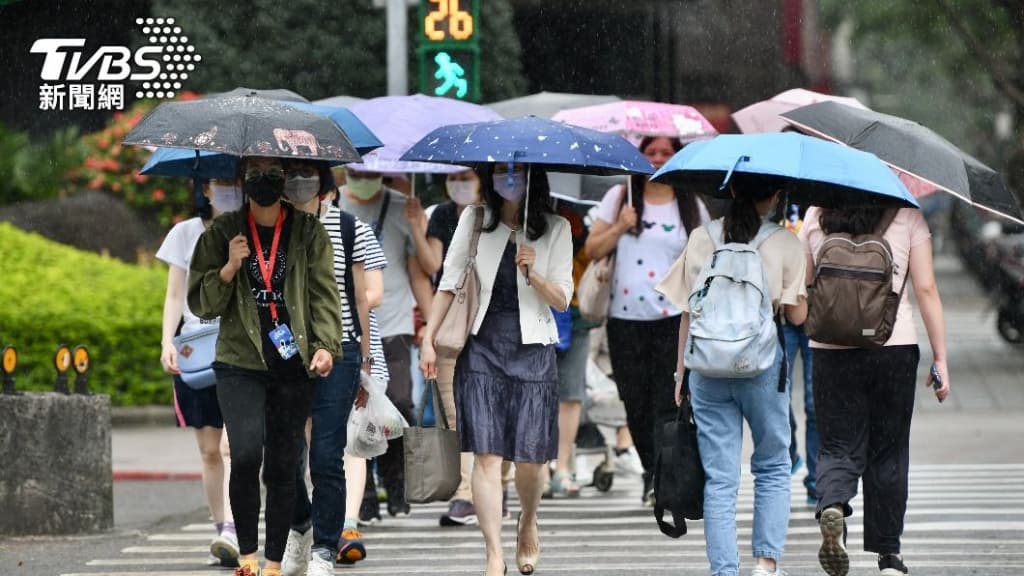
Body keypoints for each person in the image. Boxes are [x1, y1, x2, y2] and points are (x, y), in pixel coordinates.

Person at [187, 156, 343, 576]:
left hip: (293, 364)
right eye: (254, 171)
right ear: (243, 179)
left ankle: (273, 563)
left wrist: (328, 345)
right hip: (239, 361)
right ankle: (249, 557)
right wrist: (229, 267)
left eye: (273, 171)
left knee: (282, 460)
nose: (264, 179)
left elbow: (324, 294)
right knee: (245, 450)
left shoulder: (309, 232)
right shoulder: (222, 231)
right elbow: (200, 302)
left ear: (285, 177)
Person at [420, 163, 573, 576]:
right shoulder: (474, 218)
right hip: (482, 346)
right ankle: (494, 554)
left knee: (531, 461)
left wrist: (534, 274)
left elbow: (562, 299)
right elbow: (449, 283)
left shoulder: (556, 227)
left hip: (533, 349)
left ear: (532, 176)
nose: (509, 178)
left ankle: (527, 519)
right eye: (502, 171)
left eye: (517, 171)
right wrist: (429, 338)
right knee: (486, 455)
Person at [658, 173, 808, 576]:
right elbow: (798, 315)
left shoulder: (701, 238)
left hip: (706, 368)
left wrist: (680, 376)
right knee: (773, 465)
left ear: (733, 191)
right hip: (761, 368)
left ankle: (725, 570)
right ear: (775, 197)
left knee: (721, 479)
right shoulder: (785, 241)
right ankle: (766, 563)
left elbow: (687, 312)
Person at [799, 204, 950, 576]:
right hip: (893, 347)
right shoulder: (908, 218)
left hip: (831, 349)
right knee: (889, 449)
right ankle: (889, 556)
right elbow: (926, 288)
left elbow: (805, 287)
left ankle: (833, 502)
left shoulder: (817, 215)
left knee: (836, 443)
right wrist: (940, 358)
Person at [583, 136, 709, 505]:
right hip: (624, 321)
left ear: (676, 158)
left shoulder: (690, 204)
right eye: (650, 152)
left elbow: (704, 256)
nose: (656, 159)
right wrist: (620, 226)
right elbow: (591, 250)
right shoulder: (620, 198)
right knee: (635, 402)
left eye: (665, 153)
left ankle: (661, 479)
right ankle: (651, 470)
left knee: (666, 401)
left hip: (673, 319)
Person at [276, 160, 372, 576]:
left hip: (342, 351)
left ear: (323, 183)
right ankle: (300, 526)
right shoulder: (270, 230)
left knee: (327, 455)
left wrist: (366, 360)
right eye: (291, 175)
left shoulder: (351, 229)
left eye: (307, 175)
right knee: (283, 453)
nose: (299, 184)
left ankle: (324, 549)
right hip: (284, 354)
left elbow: (360, 299)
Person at [339, 166, 437, 519]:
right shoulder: (331, 206)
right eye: (355, 171)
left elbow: (423, 270)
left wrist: (430, 325)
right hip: (348, 329)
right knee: (353, 415)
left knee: (397, 405)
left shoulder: (401, 207)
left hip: (393, 325)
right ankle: (363, 496)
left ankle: (396, 484)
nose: (362, 176)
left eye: (371, 171)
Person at [157, 178, 242, 567]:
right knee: (209, 451)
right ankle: (222, 525)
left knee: (232, 446)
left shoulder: (252, 229)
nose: (226, 189)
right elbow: (175, 294)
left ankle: (235, 530)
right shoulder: (185, 232)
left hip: (241, 350)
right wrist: (166, 342)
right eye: (218, 183)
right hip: (196, 347)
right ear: (204, 190)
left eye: (233, 182)